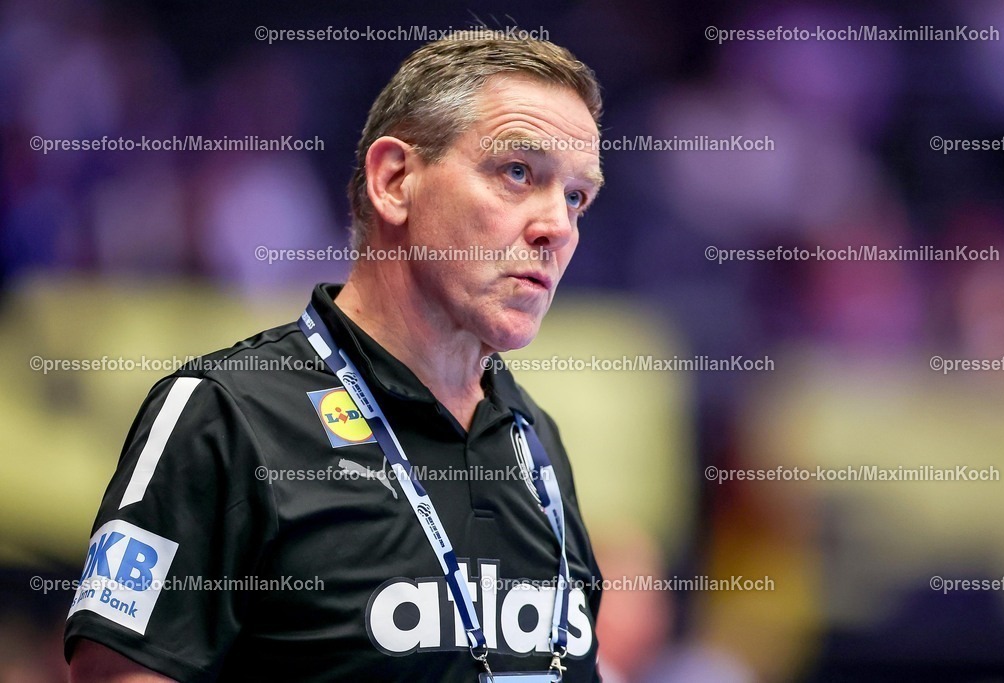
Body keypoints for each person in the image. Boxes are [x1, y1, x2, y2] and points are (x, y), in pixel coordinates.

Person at [65, 29, 606, 682]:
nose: (558, 226)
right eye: (518, 172)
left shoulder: (535, 442)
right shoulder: (225, 416)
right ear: (395, 179)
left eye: (577, 196)